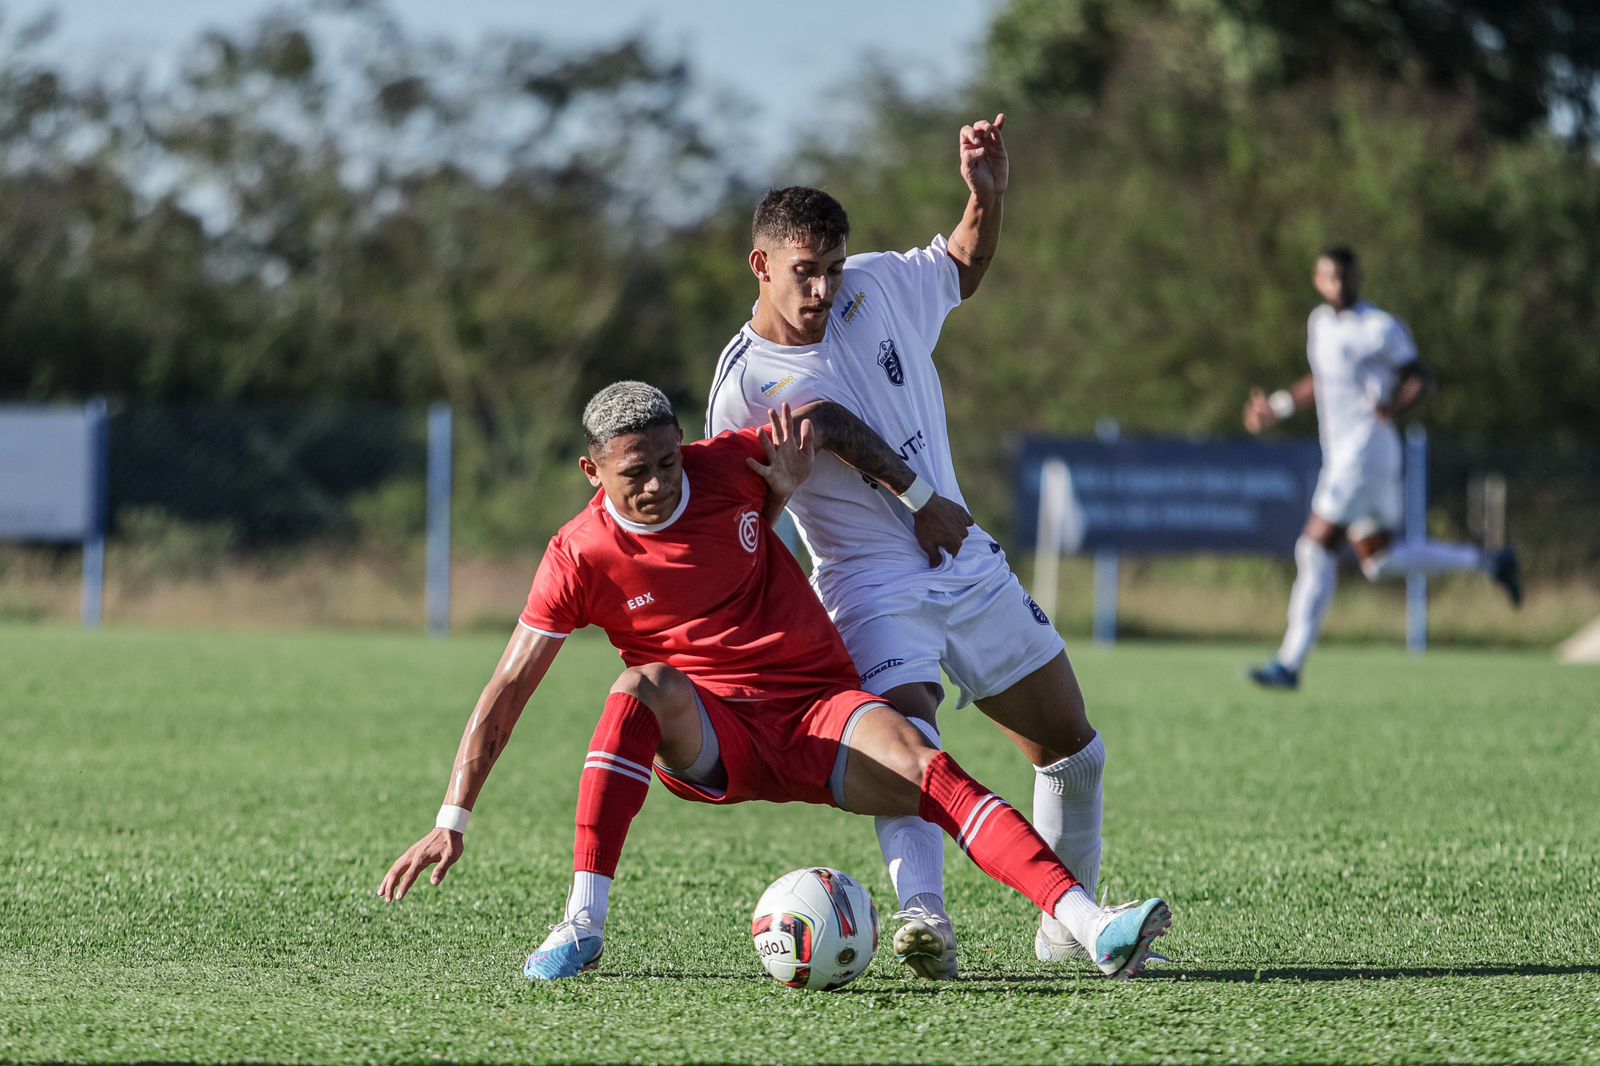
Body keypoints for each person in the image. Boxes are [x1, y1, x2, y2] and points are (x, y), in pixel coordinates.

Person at [378, 381, 1171, 984]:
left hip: (819, 708)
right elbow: (508, 688)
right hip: (713, 732)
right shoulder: (576, 555)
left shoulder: (730, 468)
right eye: (633, 474)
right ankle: (583, 923)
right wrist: (454, 817)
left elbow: (822, 418)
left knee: (929, 765)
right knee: (642, 684)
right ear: (591, 470)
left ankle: (1091, 925)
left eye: (665, 461)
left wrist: (909, 495)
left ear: (682, 443)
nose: (656, 484)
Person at [706, 115, 1117, 980]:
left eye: (830, 268)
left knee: (1074, 753)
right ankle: (923, 916)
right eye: (802, 273)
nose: (820, 289)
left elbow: (964, 263)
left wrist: (986, 196)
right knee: (913, 742)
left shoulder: (878, 285)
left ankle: (1066, 928)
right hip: (869, 583)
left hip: (964, 557)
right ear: (762, 266)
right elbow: (784, 471)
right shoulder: (742, 384)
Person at [1242, 246, 1522, 690]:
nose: (1340, 285)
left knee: (1314, 549)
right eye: (1331, 278)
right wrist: (1277, 407)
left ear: (1358, 277)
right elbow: (1321, 379)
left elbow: (1421, 377)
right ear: (1319, 281)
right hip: (1348, 455)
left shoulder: (1380, 328)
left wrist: (1394, 406)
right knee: (1380, 560)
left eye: (1347, 277)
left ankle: (1289, 664)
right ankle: (1489, 561)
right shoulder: (1318, 324)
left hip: (1365, 451)